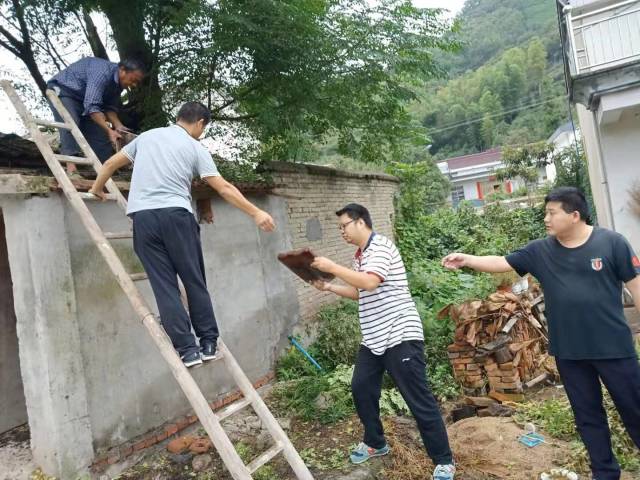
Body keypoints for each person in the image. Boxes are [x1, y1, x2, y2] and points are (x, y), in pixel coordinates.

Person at [442, 187, 640, 480]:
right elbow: (502, 262)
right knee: (588, 419)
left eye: (551, 212)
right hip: (570, 353)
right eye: (545, 212)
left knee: (635, 409)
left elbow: (636, 288)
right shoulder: (541, 251)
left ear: (574, 215)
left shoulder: (612, 244)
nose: (546, 218)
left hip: (614, 349)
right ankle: (605, 473)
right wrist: (468, 259)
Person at [89, 101, 276, 367]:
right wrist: (256, 212)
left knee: (164, 287)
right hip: (177, 217)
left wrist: (97, 189)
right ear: (200, 123)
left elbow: (109, 164)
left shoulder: (146, 138)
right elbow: (222, 187)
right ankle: (208, 342)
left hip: (143, 219)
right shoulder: (194, 147)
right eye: (204, 128)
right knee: (193, 280)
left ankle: (187, 351)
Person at [310, 203, 456, 480]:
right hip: (374, 337)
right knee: (361, 388)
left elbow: (370, 283)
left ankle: (444, 460)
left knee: (418, 398)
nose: (341, 231)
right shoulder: (360, 256)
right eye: (338, 227)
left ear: (361, 222)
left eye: (344, 225)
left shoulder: (381, 248)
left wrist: (332, 267)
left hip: (400, 333)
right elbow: (359, 291)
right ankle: (376, 443)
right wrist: (328, 286)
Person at [47, 56, 147, 176]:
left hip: (86, 101)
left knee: (101, 137)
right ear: (122, 70)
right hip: (66, 91)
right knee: (71, 123)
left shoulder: (118, 85)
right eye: (133, 80)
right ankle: (71, 169)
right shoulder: (102, 72)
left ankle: (103, 173)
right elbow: (92, 106)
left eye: (137, 82)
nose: (134, 85)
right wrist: (109, 130)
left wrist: (118, 126)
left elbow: (109, 108)